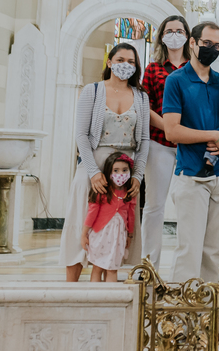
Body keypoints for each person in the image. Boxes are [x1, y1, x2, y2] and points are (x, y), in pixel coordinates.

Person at [60, 43, 148, 281]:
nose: (125, 65)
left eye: (131, 62)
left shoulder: (141, 97)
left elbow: (145, 140)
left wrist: (138, 176)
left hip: (125, 169)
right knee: (81, 220)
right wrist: (92, 172)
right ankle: (70, 288)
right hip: (94, 162)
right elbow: (81, 134)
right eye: (120, 60)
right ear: (109, 62)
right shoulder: (93, 91)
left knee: (118, 225)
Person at [162, 21, 219, 283]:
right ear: (192, 43)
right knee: (189, 249)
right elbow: (171, 131)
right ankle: (181, 319)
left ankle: (205, 314)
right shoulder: (176, 81)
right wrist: (214, 136)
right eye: (207, 44)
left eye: (217, 46)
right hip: (192, 173)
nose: (212, 50)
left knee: (212, 251)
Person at [141, 15, 189, 269]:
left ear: (187, 36)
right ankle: (149, 264)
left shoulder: (195, 69)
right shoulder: (153, 69)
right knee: (154, 205)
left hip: (189, 147)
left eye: (179, 30)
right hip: (160, 143)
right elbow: (144, 105)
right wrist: (170, 129)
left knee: (187, 205)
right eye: (169, 30)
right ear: (161, 36)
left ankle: (185, 266)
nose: (174, 34)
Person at [81, 152, 137, 282]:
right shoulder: (102, 190)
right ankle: (95, 299)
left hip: (118, 238)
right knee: (97, 267)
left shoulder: (130, 193)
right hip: (100, 235)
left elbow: (131, 216)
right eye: (116, 170)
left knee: (112, 269)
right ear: (109, 172)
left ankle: (111, 299)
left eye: (124, 170)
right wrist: (84, 234)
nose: (120, 174)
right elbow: (92, 213)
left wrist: (130, 235)